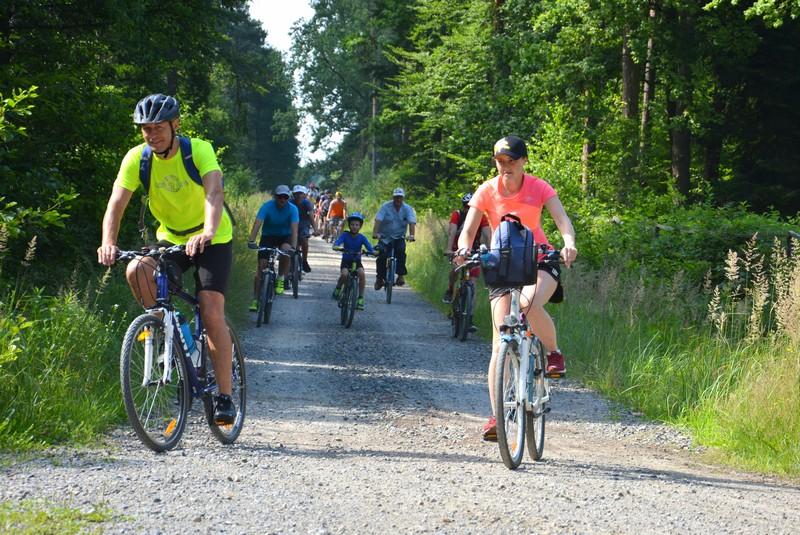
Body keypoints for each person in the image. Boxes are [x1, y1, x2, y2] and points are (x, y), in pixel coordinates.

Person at [97, 93, 236, 424]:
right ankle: (169, 334)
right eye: (146, 128)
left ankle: (225, 396)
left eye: (158, 127)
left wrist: (207, 231)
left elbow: (214, 192)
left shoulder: (198, 150)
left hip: (213, 237)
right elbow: (116, 204)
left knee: (211, 310)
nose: (151, 134)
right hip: (171, 237)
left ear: (175, 125)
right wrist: (108, 242)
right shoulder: (137, 158)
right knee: (138, 269)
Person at [455, 135, 577, 441]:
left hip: (540, 258)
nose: (505, 166)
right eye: (500, 161)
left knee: (528, 304)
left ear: (523, 161)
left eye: (511, 161)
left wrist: (568, 244)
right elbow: (468, 230)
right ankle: (497, 416)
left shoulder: (539, 187)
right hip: (504, 263)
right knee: (499, 343)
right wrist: (463, 249)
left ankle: (553, 352)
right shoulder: (487, 190)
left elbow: (562, 219)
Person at [247, 185, 298, 307]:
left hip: (285, 236)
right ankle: (255, 300)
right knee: (261, 266)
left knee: (286, 251)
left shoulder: (293, 209)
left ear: (288, 198)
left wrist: (294, 247)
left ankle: (280, 278)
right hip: (268, 236)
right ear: (275, 197)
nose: (282, 199)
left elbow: (294, 230)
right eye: (280, 197)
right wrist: (251, 240)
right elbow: (257, 223)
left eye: (285, 197)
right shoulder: (267, 206)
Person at [443, 192, 491, 304]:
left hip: (474, 248)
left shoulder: (481, 217)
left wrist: (490, 248)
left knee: (473, 281)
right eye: (466, 206)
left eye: (472, 207)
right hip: (458, 248)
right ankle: (450, 290)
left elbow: (487, 234)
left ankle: (469, 312)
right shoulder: (457, 214)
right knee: (455, 269)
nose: (468, 209)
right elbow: (452, 232)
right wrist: (449, 248)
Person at [372, 187, 416, 289]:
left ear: (403, 198)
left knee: (401, 252)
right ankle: (379, 279)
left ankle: (400, 276)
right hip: (385, 237)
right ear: (393, 197)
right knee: (381, 256)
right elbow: (378, 220)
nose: (398, 199)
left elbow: (411, 222)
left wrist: (412, 235)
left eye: (400, 197)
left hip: (399, 237)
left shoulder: (407, 208)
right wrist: (375, 233)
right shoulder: (385, 206)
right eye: (396, 197)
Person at [332, 212, 375, 310]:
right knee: (344, 274)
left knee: (362, 274)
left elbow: (369, 247)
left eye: (357, 225)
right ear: (349, 225)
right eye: (352, 224)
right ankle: (338, 287)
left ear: (360, 226)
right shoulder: (345, 235)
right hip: (346, 261)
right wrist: (336, 246)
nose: (354, 227)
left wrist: (373, 252)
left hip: (357, 261)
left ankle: (360, 298)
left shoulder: (362, 237)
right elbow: (337, 242)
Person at [291, 185, 319, 272]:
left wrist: (316, 230)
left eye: (301, 193)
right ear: (293, 195)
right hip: (291, 224)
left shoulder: (307, 203)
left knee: (304, 240)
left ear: (305, 195)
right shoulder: (289, 202)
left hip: (303, 224)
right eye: (297, 194)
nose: (299, 196)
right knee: (292, 244)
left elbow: (311, 217)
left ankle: (304, 260)